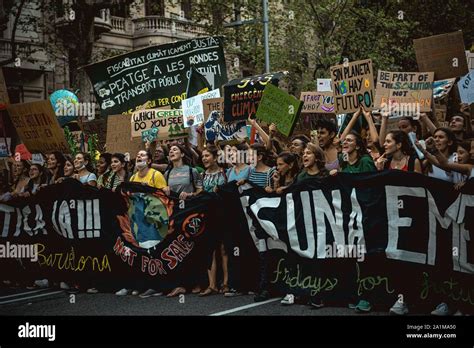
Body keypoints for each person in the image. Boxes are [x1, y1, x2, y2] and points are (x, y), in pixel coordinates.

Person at [162, 144, 203, 297]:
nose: (171, 152)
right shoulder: (167, 173)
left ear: (183, 154)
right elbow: (163, 194)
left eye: (175, 150)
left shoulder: (192, 171)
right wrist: (164, 189)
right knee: (177, 248)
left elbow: (200, 190)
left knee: (193, 246)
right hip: (174, 213)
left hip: (191, 212)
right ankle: (180, 285)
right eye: (170, 151)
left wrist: (190, 194)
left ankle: (197, 283)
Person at [199, 145, 228, 296]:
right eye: (203, 156)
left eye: (207, 156)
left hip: (222, 214)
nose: (204, 158)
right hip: (207, 214)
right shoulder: (202, 175)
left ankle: (226, 283)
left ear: (216, 158)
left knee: (223, 248)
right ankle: (212, 285)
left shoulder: (225, 173)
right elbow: (200, 193)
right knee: (210, 249)